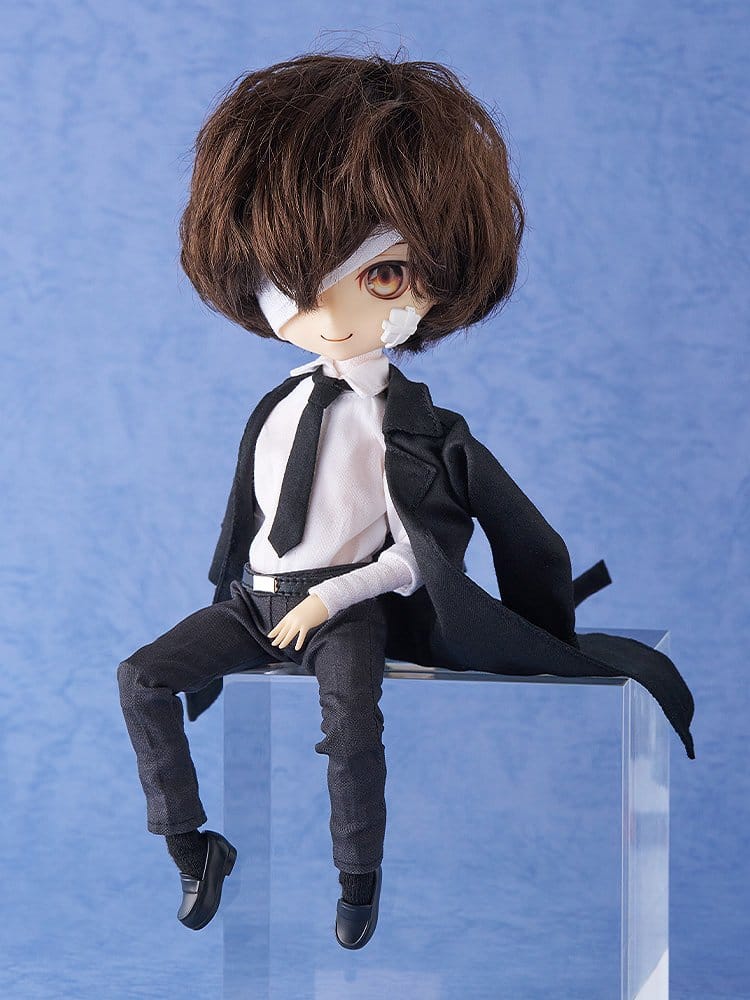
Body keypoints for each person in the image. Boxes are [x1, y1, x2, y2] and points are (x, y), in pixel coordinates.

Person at [117, 50, 695, 949]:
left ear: (438, 277)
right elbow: (255, 521)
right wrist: (250, 593)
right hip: (255, 602)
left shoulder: (414, 430)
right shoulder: (277, 407)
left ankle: (358, 881)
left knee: (351, 728)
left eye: (379, 273)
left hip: (346, 607)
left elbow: (413, 556)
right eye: (292, 278)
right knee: (142, 678)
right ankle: (192, 848)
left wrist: (330, 600)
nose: (329, 309)